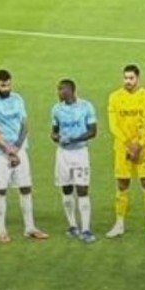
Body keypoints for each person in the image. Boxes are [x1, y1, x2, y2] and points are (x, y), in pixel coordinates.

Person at [0, 70, 48, 243]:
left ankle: (30, 227)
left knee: (26, 188)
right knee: (1, 191)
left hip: (20, 151)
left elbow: (25, 125)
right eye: (2, 85)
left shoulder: (17, 99)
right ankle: (2, 230)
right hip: (0, 154)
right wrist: (7, 150)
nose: (6, 88)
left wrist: (17, 148)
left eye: (8, 84)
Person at [106, 64, 145, 239]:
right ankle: (119, 223)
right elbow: (113, 125)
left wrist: (140, 143)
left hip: (144, 148)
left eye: (131, 78)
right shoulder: (114, 97)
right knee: (122, 184)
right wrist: (128, 143)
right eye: (125, 78)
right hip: (123, 148)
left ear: (138, 78)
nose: (128, 81)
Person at [51, 78, 98, 242]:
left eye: (62, 89)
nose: (59, 92)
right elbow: (54, 131)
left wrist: (74, 139)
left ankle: (86, 229)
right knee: (66, 189)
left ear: (71, 91)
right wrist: (57, 137)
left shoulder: (86, 107)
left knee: (82, 189)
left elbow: (93, 131)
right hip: (63, 154)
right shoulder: (56, 109)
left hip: (80, 153)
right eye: (58, 89)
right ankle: (72, 225)